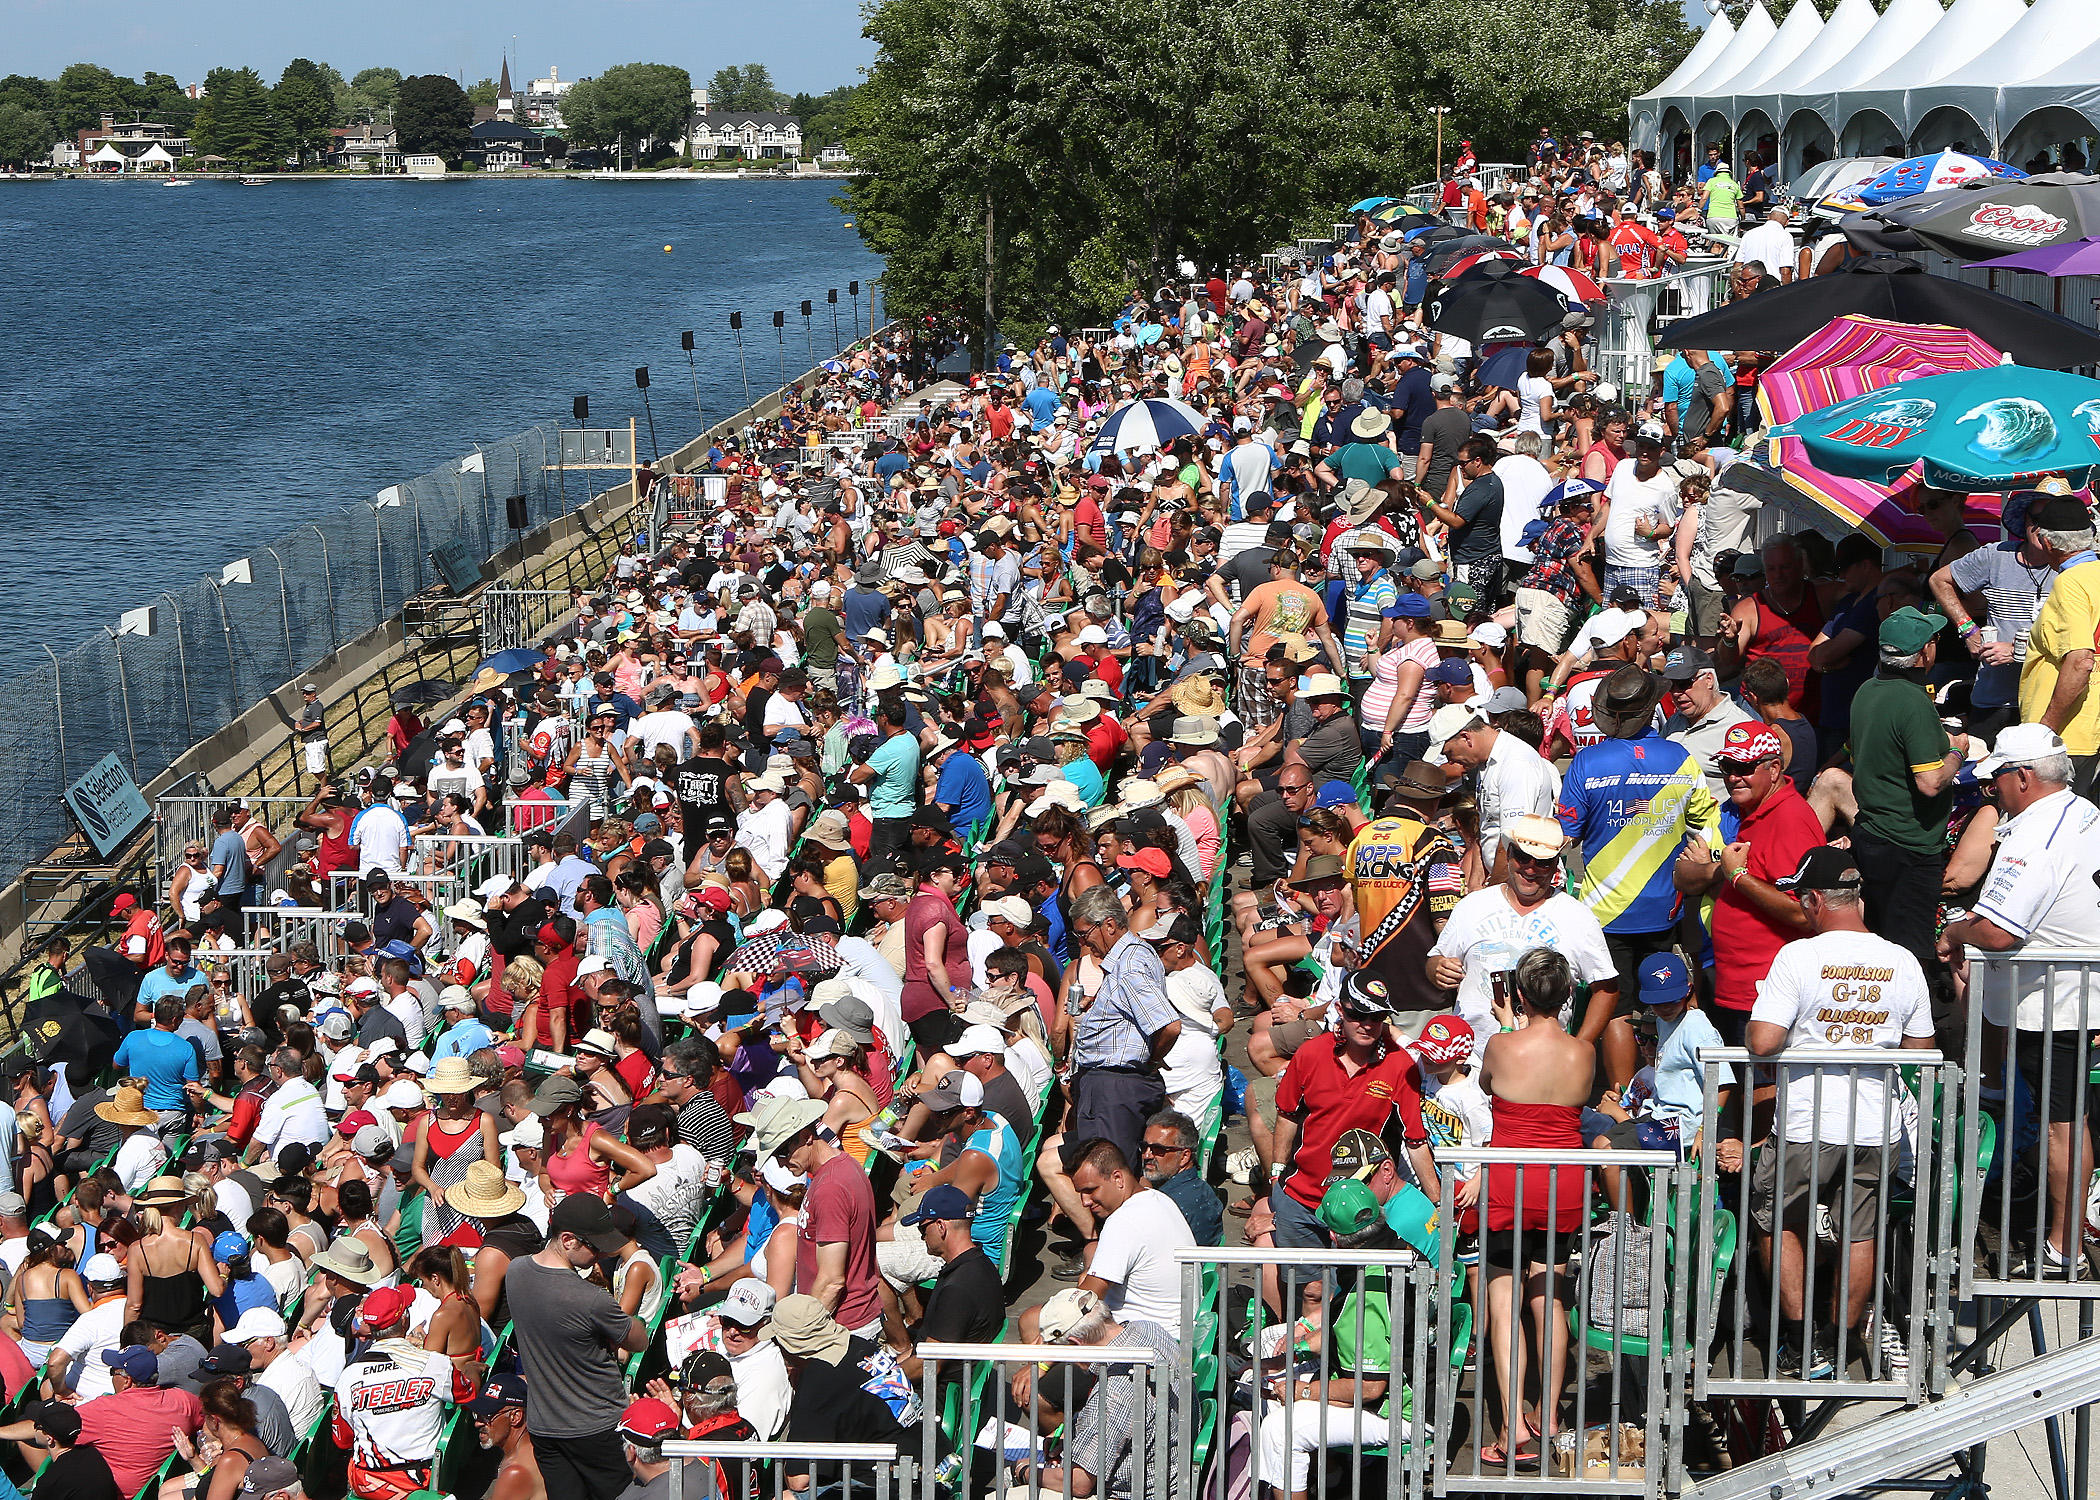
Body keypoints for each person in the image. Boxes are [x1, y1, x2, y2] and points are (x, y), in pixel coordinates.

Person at [1750, 846, 1935, 1377]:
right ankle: (1837, 1344)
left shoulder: (1799, 957)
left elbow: (1762, 1041)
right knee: (1859, 1232)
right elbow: (1919, 1051)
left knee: (1777, 1219)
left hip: (1809, 1122)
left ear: (1814, 900)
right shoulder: (1901, 960)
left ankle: (1800, 1341)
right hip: (1876, 1124)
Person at [1941, 726, 2100, 1275]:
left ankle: (2063, 1248)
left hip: (2054, 1004)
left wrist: (1957, 930)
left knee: (2064, 1124)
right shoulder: (2085, 812)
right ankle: (2061, 1235)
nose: (1992, 793)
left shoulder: (2035, 835)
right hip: (2072, 997)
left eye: (1997, 782)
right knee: (2066, 1119)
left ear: (2024, 777)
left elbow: (2002, 933)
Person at [1555, 664, 1719, 1047]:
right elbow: (1708, 826)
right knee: (1670, 997)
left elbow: (1567, 835)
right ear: (1650, 712)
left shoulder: (1586, 763)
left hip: (1605, 911)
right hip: (1665, 906)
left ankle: (1618, 1093)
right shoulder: (1679, 757)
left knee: (1615, 1004)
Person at [1476, 949, 1595, 1469]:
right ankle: (1547, 1413)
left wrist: (1508, 1025)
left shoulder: (1501, 1046)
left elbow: (1489, 1085)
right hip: (1562, 1182)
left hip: (1510, 1181)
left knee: (1506, 1301)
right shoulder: (1584, 1053)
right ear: (1567, 995)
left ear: (1520, 994)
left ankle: (1511, 1428)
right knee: (1551, 1298)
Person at [1673, 723, 1823, 1046]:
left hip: (1767, 989)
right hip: (1736, 984)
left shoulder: (1790, 821)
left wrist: (1738, 877)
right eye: (1727, 767)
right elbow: (1681, 873)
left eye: (1744, 767)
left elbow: (1805, 912)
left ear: (1773, 769)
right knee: (1745, 1088)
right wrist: (1723, 872)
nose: (1733, 776)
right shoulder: (1747, 812)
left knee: (1763, 1087)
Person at [1428, 814, 1619, 1063]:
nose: (1530, 869)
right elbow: (1435, 960)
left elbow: (1606, 988)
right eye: (1523, 857)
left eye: (1542, 862)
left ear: (1555, 865)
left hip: (1542, 1061)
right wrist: (1437, 970)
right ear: (1508, 855)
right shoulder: (1472, 905)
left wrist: (1580, 1046)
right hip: (1470, 1057)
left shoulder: (1578, 917)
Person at [1846, 607, 1963, 992]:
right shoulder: (1912, 702)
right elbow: (1930, 782)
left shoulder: (1867, 689)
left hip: (1871, 836)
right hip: (1908, 847)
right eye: (1934, 640)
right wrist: (1957, 752)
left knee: (1878, 945)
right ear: (1924, 653)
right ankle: (1912, 1041)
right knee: (1910, 958)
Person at [504, 1195, 651, 1500]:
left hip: (545, 1428)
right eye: (595, 1247)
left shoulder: (515, 1271)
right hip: (599, 1427)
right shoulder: (592, 1299)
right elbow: (639, 1339)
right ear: (568, 1240)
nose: (600, 1255)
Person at [1027, 1289, 1182, 1500]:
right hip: (1166, 1473)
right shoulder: (1148, 1329)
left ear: (1075, 1344)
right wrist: (1073, 1436)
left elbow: (1078, 1483)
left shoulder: (1114, 1393)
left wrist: (1024, 1471)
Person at [1067, 885, 1181, 1169]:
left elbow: (1170, 1026)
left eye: (1084, 934)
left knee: (1109, 1176)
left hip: (1114, 1090)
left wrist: (1153, 1061)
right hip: (1112, 1090)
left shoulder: (1129, 965)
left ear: (1108, 925)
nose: (1083, 943)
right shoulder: (1131, 957)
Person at [773, 1294, 922, 1491]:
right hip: (931, 1460)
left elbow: (799, 1480)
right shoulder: (859, 1346)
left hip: (895, 1483)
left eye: (776, 1341)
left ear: (789, 1345)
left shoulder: (818, 1382)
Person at [2017, 488, 2100, 795]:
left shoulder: (2071, 581)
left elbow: (2081, 660)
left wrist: (2044, 730)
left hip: (2066, 735)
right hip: (2086, 727)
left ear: (2048, 542)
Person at [1429, 704, 1559, 875]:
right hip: (1506, 878)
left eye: (1449, 753)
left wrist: (1494, 890)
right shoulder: (1488, 763)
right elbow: (1487, 825)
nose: (1450, 761)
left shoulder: (1516, 764)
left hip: (1525, 880)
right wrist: (1478, 875)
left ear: (1466, 738)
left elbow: (1513, 842)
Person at [1139, 1109, 1223, 1249]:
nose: (1147, 1155)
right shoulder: (1200, 1190)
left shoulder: (1169, 1205)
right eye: (1144, 1147)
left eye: (1158, 1149)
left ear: (1184, 1156)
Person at [467, 1373, 544, 1500]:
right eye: (477, 1414)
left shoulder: (515, 1472)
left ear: (515, 1417)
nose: (477, 1423)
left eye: (488, 1415)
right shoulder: (532, 1445)